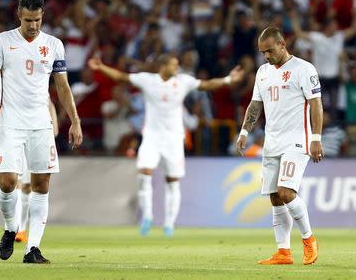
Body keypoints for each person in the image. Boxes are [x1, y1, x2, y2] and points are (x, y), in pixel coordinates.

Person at [0, 0, 82, 264]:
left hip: (40, 123)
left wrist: (75, 120)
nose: (33, 25)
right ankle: (11, 228)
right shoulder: (2, 41)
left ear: (43, 16)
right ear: (18, 17)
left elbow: (62, 87)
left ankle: (32, 248)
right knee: (8, 182)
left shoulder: (54, 45)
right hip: (10, 121)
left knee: (41, 185)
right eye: (27, 20)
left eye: (37, 20)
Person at [88, 54, 244, 236]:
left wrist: (227, 79)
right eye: (173, 65)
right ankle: (147, 217)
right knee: (144, 175)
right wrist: (101, 67)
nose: (177, 68)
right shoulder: (147, 80)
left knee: (172, 181)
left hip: (174, 139)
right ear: (162, 66)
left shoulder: (183, 81)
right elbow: (121, 77)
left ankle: (169, 223)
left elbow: (207, 85)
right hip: (151, 137)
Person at [236, 27, 323, 265]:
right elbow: (255, 105)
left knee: (286, 193)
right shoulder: (263, 72)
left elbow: (316, 104)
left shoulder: (304, 69)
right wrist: (245, 131)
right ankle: (283, 251)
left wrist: (316, 137)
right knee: (274, 196)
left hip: (297, 140)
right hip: (272, 141)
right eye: (262, 53)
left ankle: (309, 239)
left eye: (270, 51)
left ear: (283, 44)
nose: (266, 56)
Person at [0, 95, 59, 244]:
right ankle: (14, 227)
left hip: (32, 133)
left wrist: (53, 124)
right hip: (8, 133)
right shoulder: (0, 76)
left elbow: (47, 100)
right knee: (12, 183)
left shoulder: (33, 76)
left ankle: (21, 229)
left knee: (27, 187)